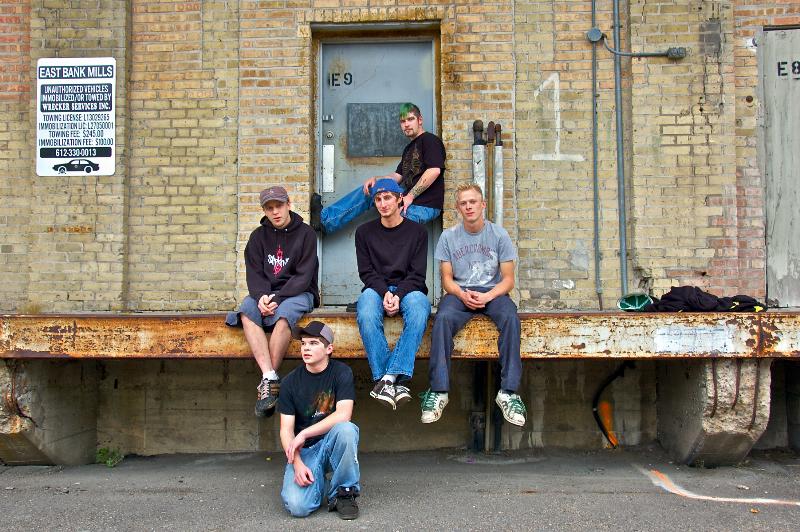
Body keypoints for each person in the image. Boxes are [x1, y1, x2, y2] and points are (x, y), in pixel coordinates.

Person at [420, 184, 527, 426]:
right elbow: (447, 279)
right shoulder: (448, 237)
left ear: (482, 205)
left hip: (493, 293)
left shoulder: (499, 235)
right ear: (458, 208)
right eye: (463, 203)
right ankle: (439, 391)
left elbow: (508, 280)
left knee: (511, 318)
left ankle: (508, 393)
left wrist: (488, 297)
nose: (468, 207)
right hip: (460, 293)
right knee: (442, 319)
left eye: (473, 202)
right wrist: (461, 293)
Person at [225, 186, 320, 417]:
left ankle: (268, 386)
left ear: (288, 204)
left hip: (299, 292)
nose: (275, 212)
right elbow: (254, 273)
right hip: (266, 294)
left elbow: (303, 276)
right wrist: (261, 297)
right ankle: (269, 378)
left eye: (279, 206)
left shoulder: (306, 234)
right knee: (246, 310)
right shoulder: (258, 237)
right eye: (270, 208)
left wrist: (277, 299)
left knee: (284, 316)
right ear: (264, 211)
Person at [355, 178, 431, 409]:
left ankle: (387, 379)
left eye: (387, 197)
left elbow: (417, 275)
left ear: (399, 199)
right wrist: (384, 292)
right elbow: (366, 272)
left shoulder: (418, 232)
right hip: (376, 288)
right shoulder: (364, 233)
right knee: (366, 311)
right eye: (378, 199)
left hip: (409, 289)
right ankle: (390, 380)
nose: (383, 203)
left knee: (419, 309)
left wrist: (398, 295)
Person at [311, 103, 446, 233]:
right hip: (407, 199)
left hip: (424, 204)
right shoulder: (409, 148)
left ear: (420, 120)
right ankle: (325, 220)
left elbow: (434, 170)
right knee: (371, 189)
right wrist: (377, 180)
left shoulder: (430, 141)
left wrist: (410, 196)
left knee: (394, 232)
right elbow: (398, 176)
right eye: (403, 121)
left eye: (410, 119)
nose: (406, 124)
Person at [278, 320, 360, 520]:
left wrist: (304, 433)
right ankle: (322, 482)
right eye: (303, 343)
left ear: (329, 349)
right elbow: (286, 430)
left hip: (332, 443)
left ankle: (344, 493)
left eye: (313, 343)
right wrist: (297, 462)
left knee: (347, 429)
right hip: (306, 450)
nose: (306, 348)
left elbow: (344, 414)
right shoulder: (289, 382)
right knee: (298, 507)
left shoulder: (341, 372)